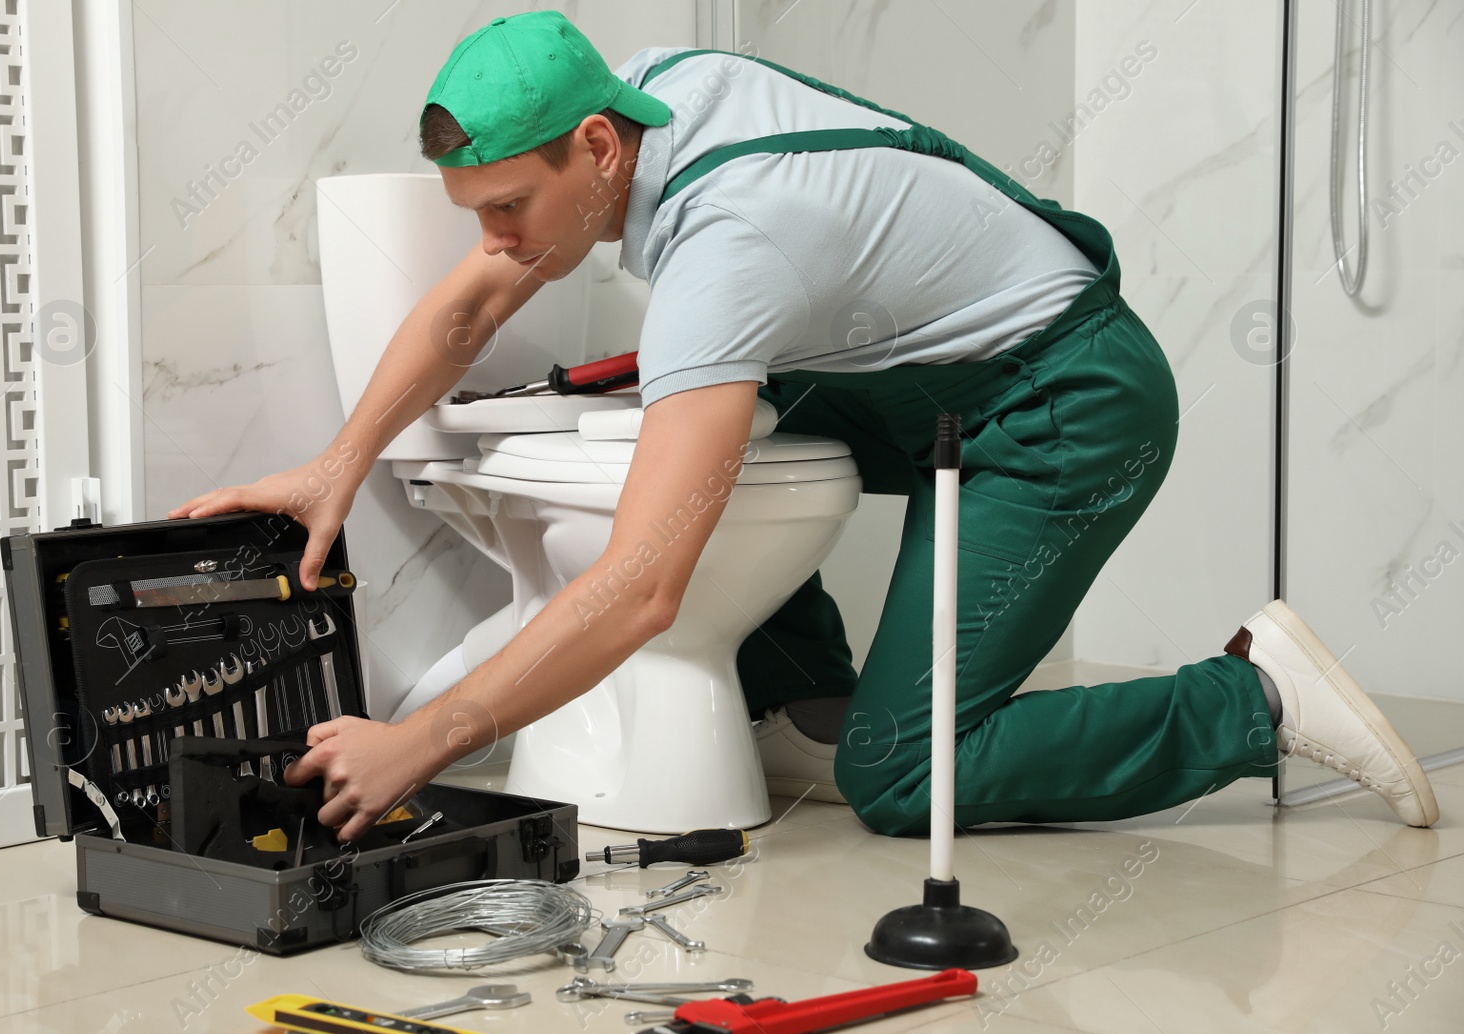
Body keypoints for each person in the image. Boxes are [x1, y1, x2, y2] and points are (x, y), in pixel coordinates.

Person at [172, 12, 1438, 842]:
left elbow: (645, 584)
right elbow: (468, 308)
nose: (492, 243)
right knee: (700, 418)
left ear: (596, 146)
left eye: (507, 207)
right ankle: (806, 692)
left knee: (902, 778)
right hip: (931, 369)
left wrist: (422, 740)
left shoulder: (728, 251)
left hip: (1068, 404)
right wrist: (340, 465)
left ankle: (1252, 701)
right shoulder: (658, 87)